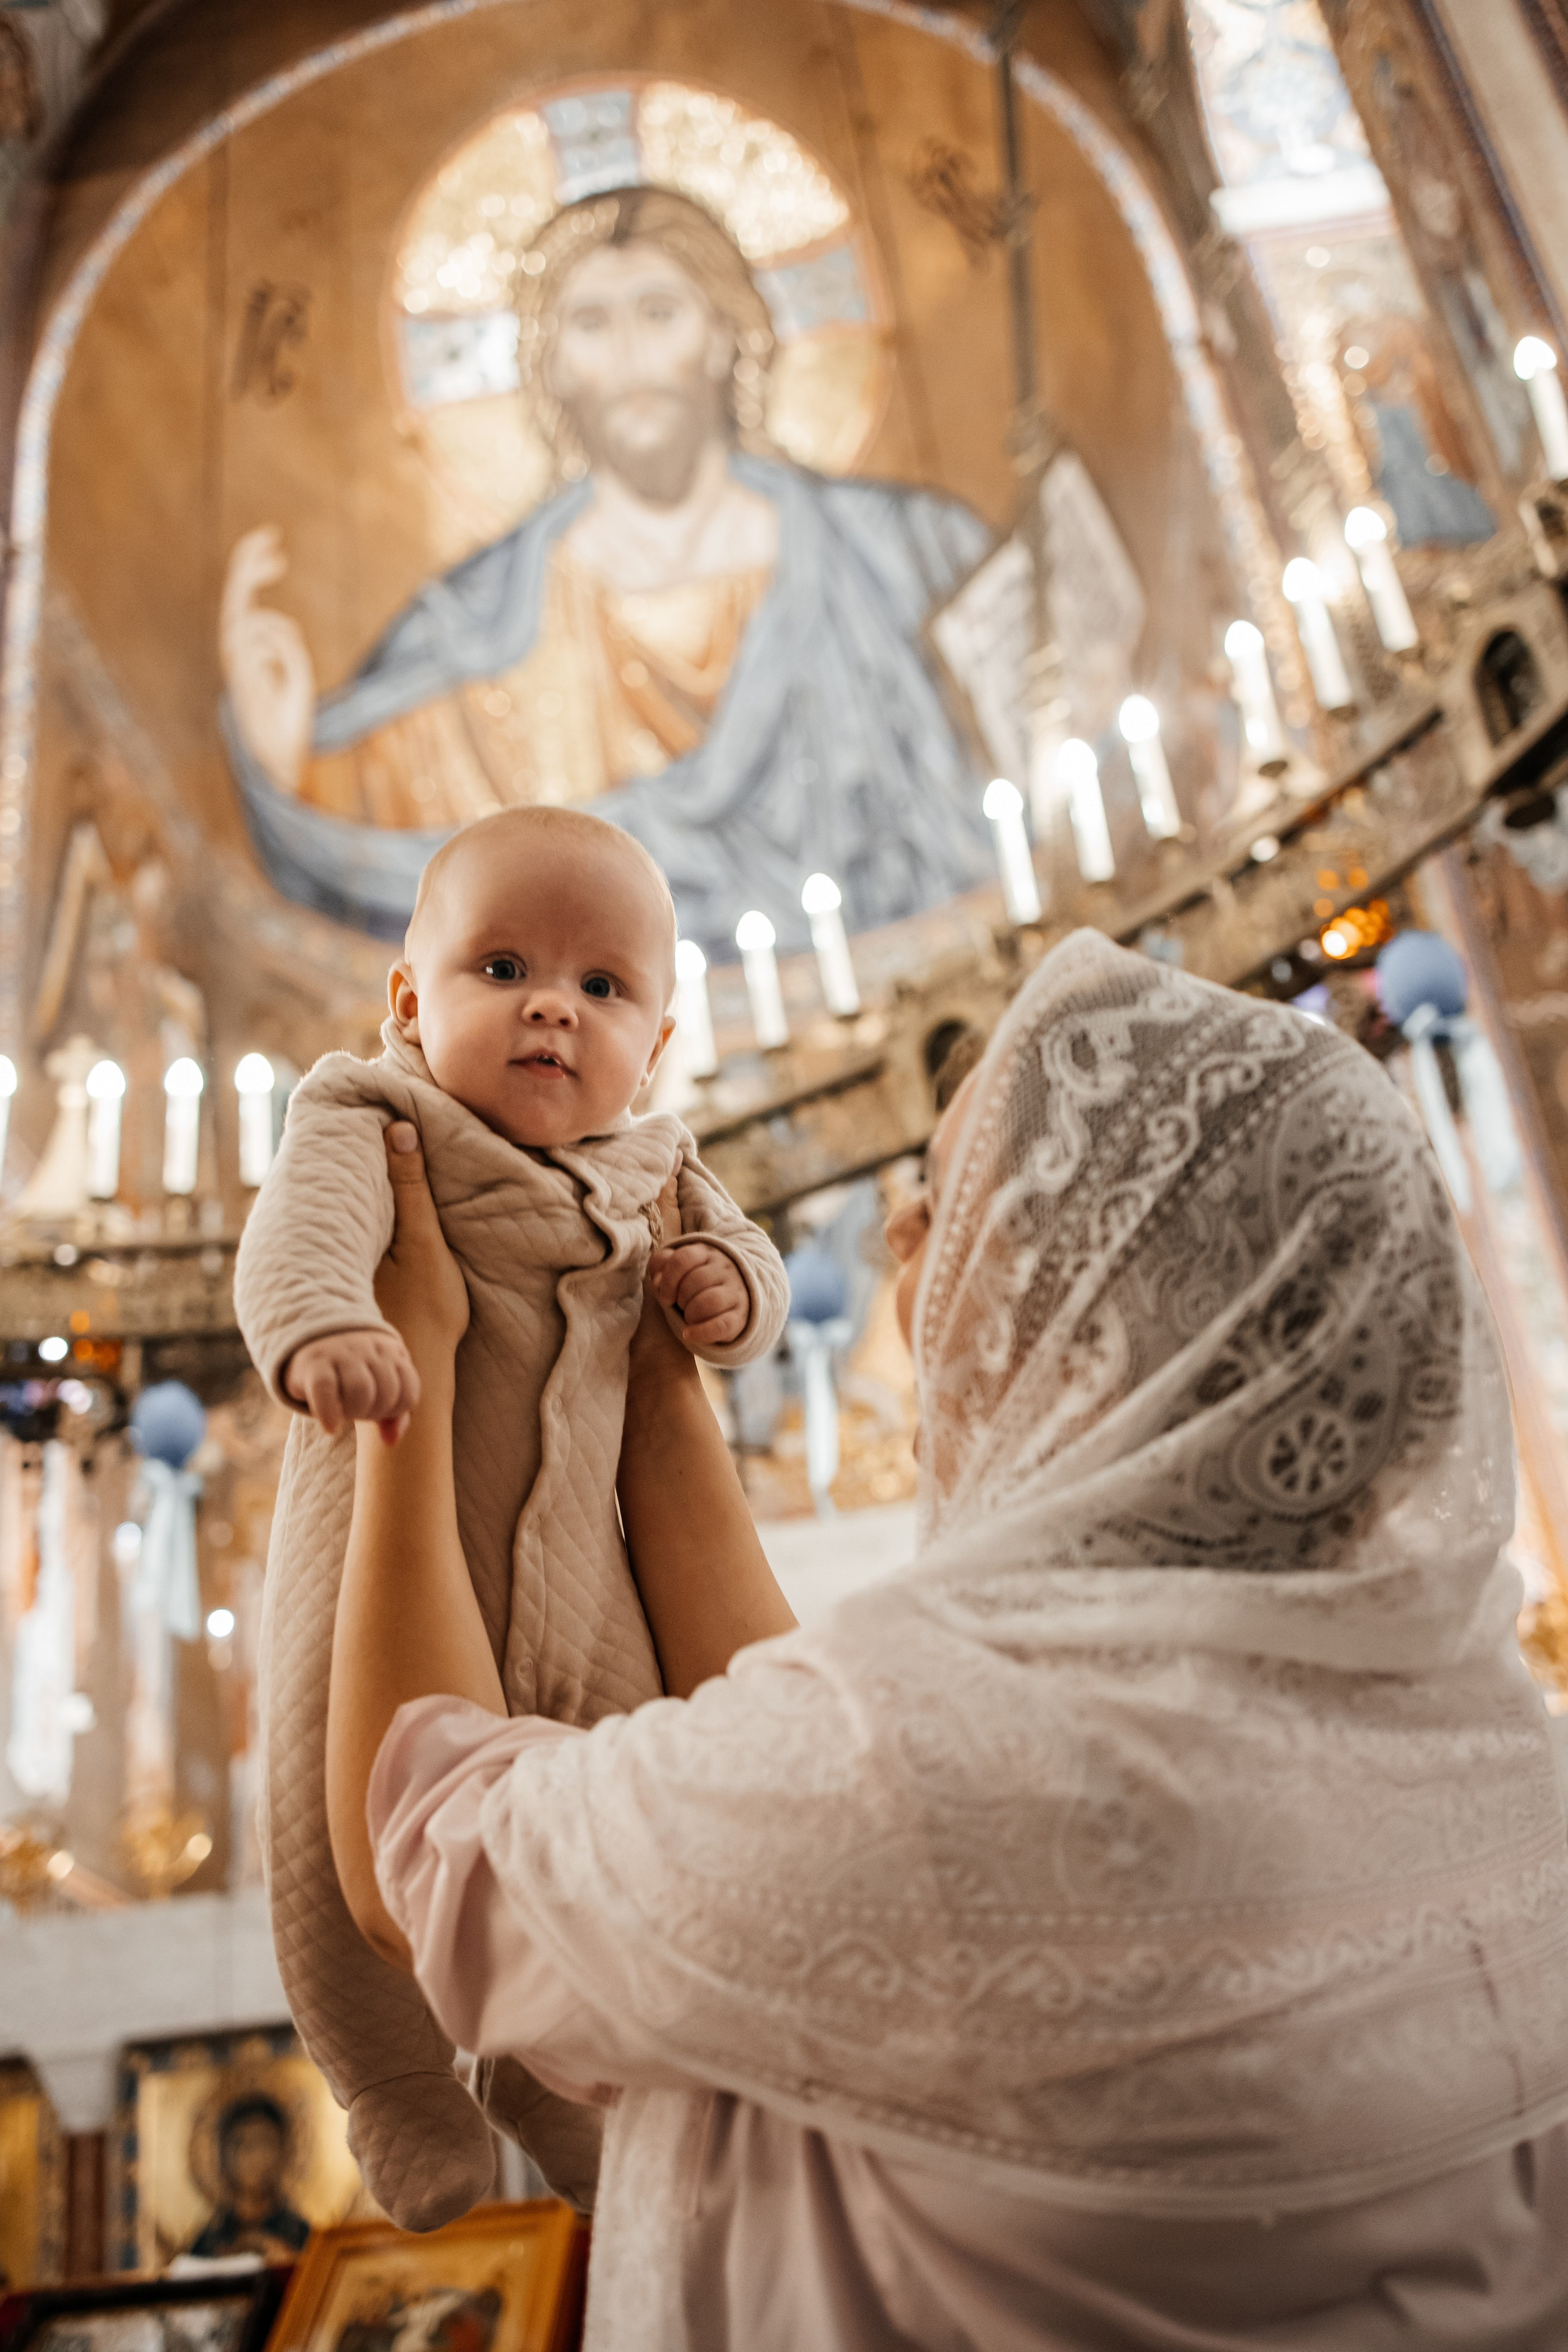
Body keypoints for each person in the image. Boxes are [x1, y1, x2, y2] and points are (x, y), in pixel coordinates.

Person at [326, 929, 1568, 2348]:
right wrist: (652, 1373)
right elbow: (794, 1762)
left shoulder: (919, 1765)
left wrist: (408, 1380)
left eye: (954, 1198)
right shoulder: (1483, 1742)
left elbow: (425, 1852)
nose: (900, 1239)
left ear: (1092, 1289)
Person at [233, 805, 788, 2231]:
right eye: (501, 966)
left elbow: (745, 1262)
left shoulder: (649, 1165)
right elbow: (293, 1236)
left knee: (610, 1782)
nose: (554, 1004)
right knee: (335, 1806)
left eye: (604, 988)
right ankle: (394, 2086)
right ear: (410, 1003)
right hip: (382, 1523)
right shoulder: (371, 1113)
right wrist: (319, 1331)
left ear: (654, 1048)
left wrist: (728, 1292)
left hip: (584, 1566)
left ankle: (562, 2072)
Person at [219, 184, 994, 954]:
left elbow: (1035, 721)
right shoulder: (477, 626)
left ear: (725, 336)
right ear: (550, 367)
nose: (629, 356)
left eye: (659, 313)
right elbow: (391, 853)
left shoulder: (902, 551)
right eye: (590, 324)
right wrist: (284, 761)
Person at [187, 2095, 311, 2262]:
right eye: (241, 2144)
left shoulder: (302, 2236)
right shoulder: (208, 2243)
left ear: (284, 2152)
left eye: (264, 2142)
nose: (254, 2156)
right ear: (223, 2156)